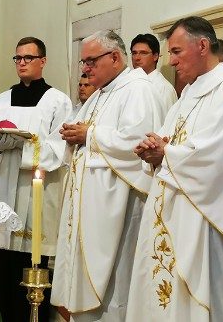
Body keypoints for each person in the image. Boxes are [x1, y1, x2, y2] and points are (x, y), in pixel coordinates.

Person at [127, 17, 223, 321]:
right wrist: (153, 150)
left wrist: (166, 153)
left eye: (177, 51)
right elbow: (168, 140)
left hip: (202, 221)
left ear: (202, 46)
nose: (171, 61)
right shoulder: (187, 94)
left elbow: (218, 157)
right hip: (169, 214)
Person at [51, 30, 161, 321]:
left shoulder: (137, 88)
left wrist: (90, 134)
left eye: (90, 61)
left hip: (119, 206)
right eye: (83, 62)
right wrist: (73, 134)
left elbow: (138, 142)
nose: (85, 69)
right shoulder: (100, 93)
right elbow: (85, 133)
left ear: (114, 57)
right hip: (91, 204)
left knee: (115, 286)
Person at [0, 37, 72, 321]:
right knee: (2, 264)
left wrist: (23, 145)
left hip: (37, 190)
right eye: (18, 58)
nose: (22, 63)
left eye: (28, 58)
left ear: (43, 61)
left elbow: (60, 147)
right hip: (4, 188)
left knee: (33, 262)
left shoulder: (58, 101)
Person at [130, 33, 177, 117]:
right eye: (134, 53)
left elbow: (168, 123)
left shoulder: (164, 89)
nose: (137, 58)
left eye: (143, 53)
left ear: (155, 56)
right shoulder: (129, 83)